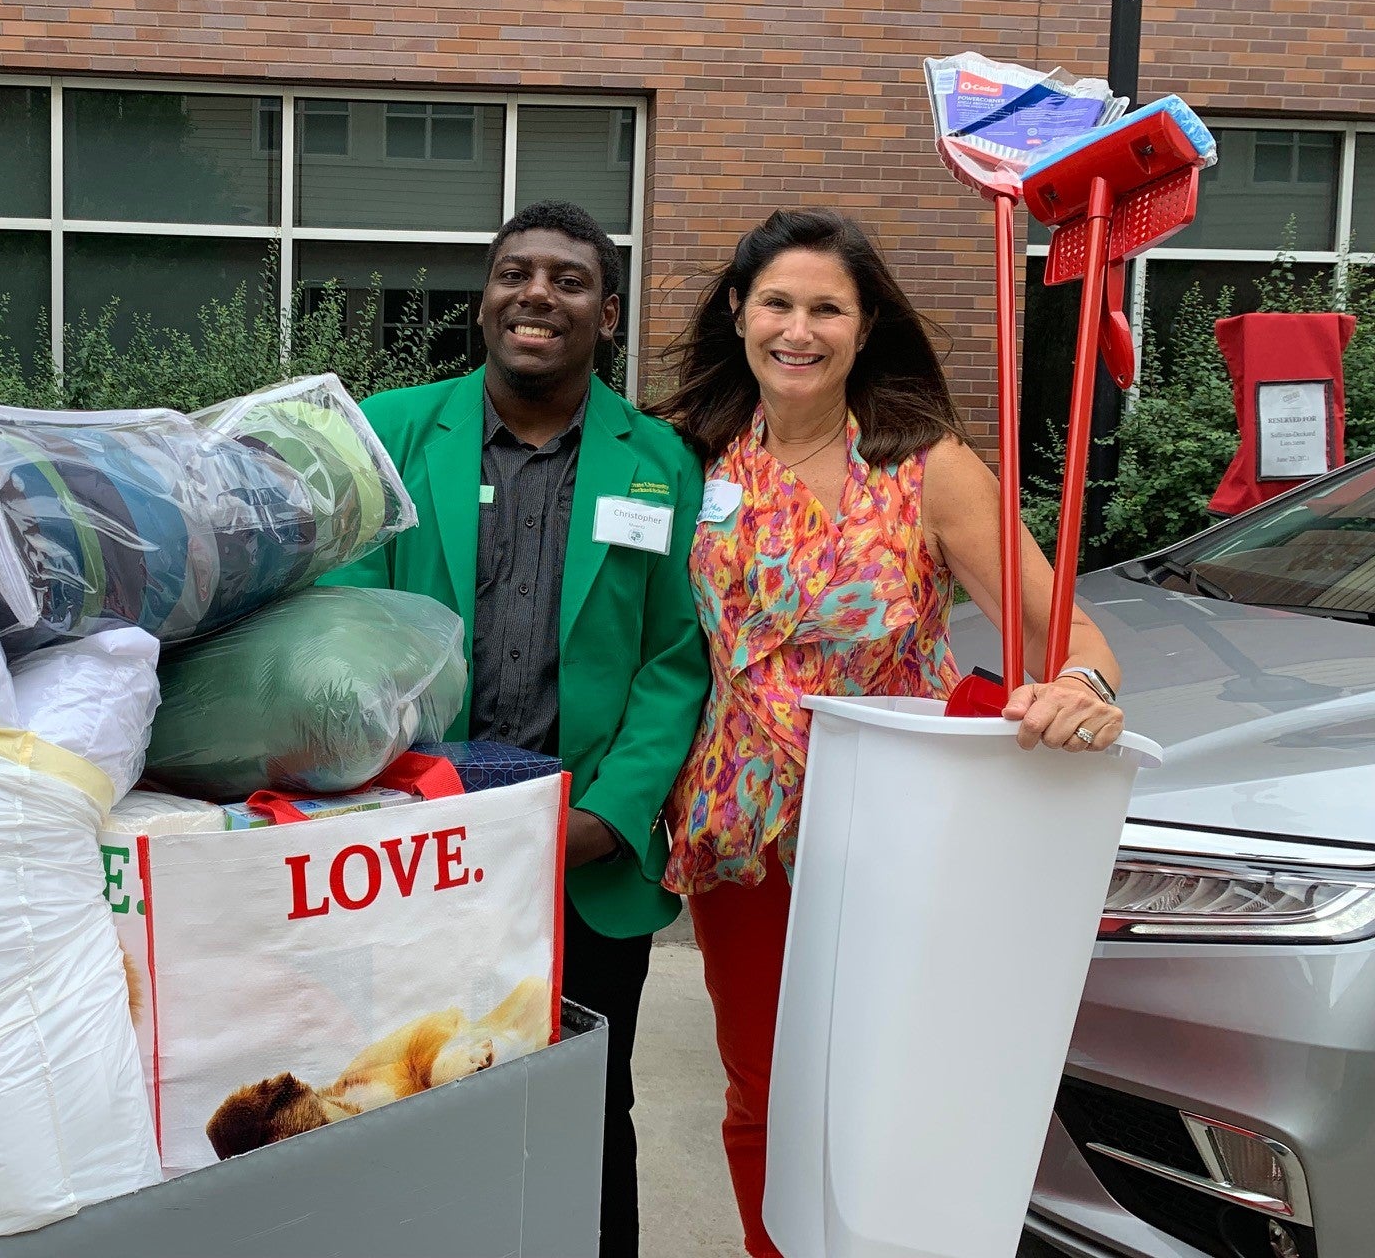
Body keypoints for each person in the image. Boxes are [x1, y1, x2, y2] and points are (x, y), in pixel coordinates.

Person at [649, 208, 1127, 1257]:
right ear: (738, 313)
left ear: (866, 329)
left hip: (896, 832)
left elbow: (1070, 632)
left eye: (828, 308)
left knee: (890, 1090)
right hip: (744, 834)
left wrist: (1080, 687)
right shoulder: (691, 461)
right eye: (777, 302)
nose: (799, 329)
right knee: (763, 1091)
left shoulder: (927, 467)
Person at [323, 199, 709, 1258]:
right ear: (486, 297)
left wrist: (610, 814)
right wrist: (386, 795)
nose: (537, 294)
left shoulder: (660, 461)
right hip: (413, 849)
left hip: (580, 855)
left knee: (588, 1114)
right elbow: (345, 629)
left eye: (568, 280)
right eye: (514, 273)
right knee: (400, 1098)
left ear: (609, 314)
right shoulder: (395, 431)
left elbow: (676, 659)